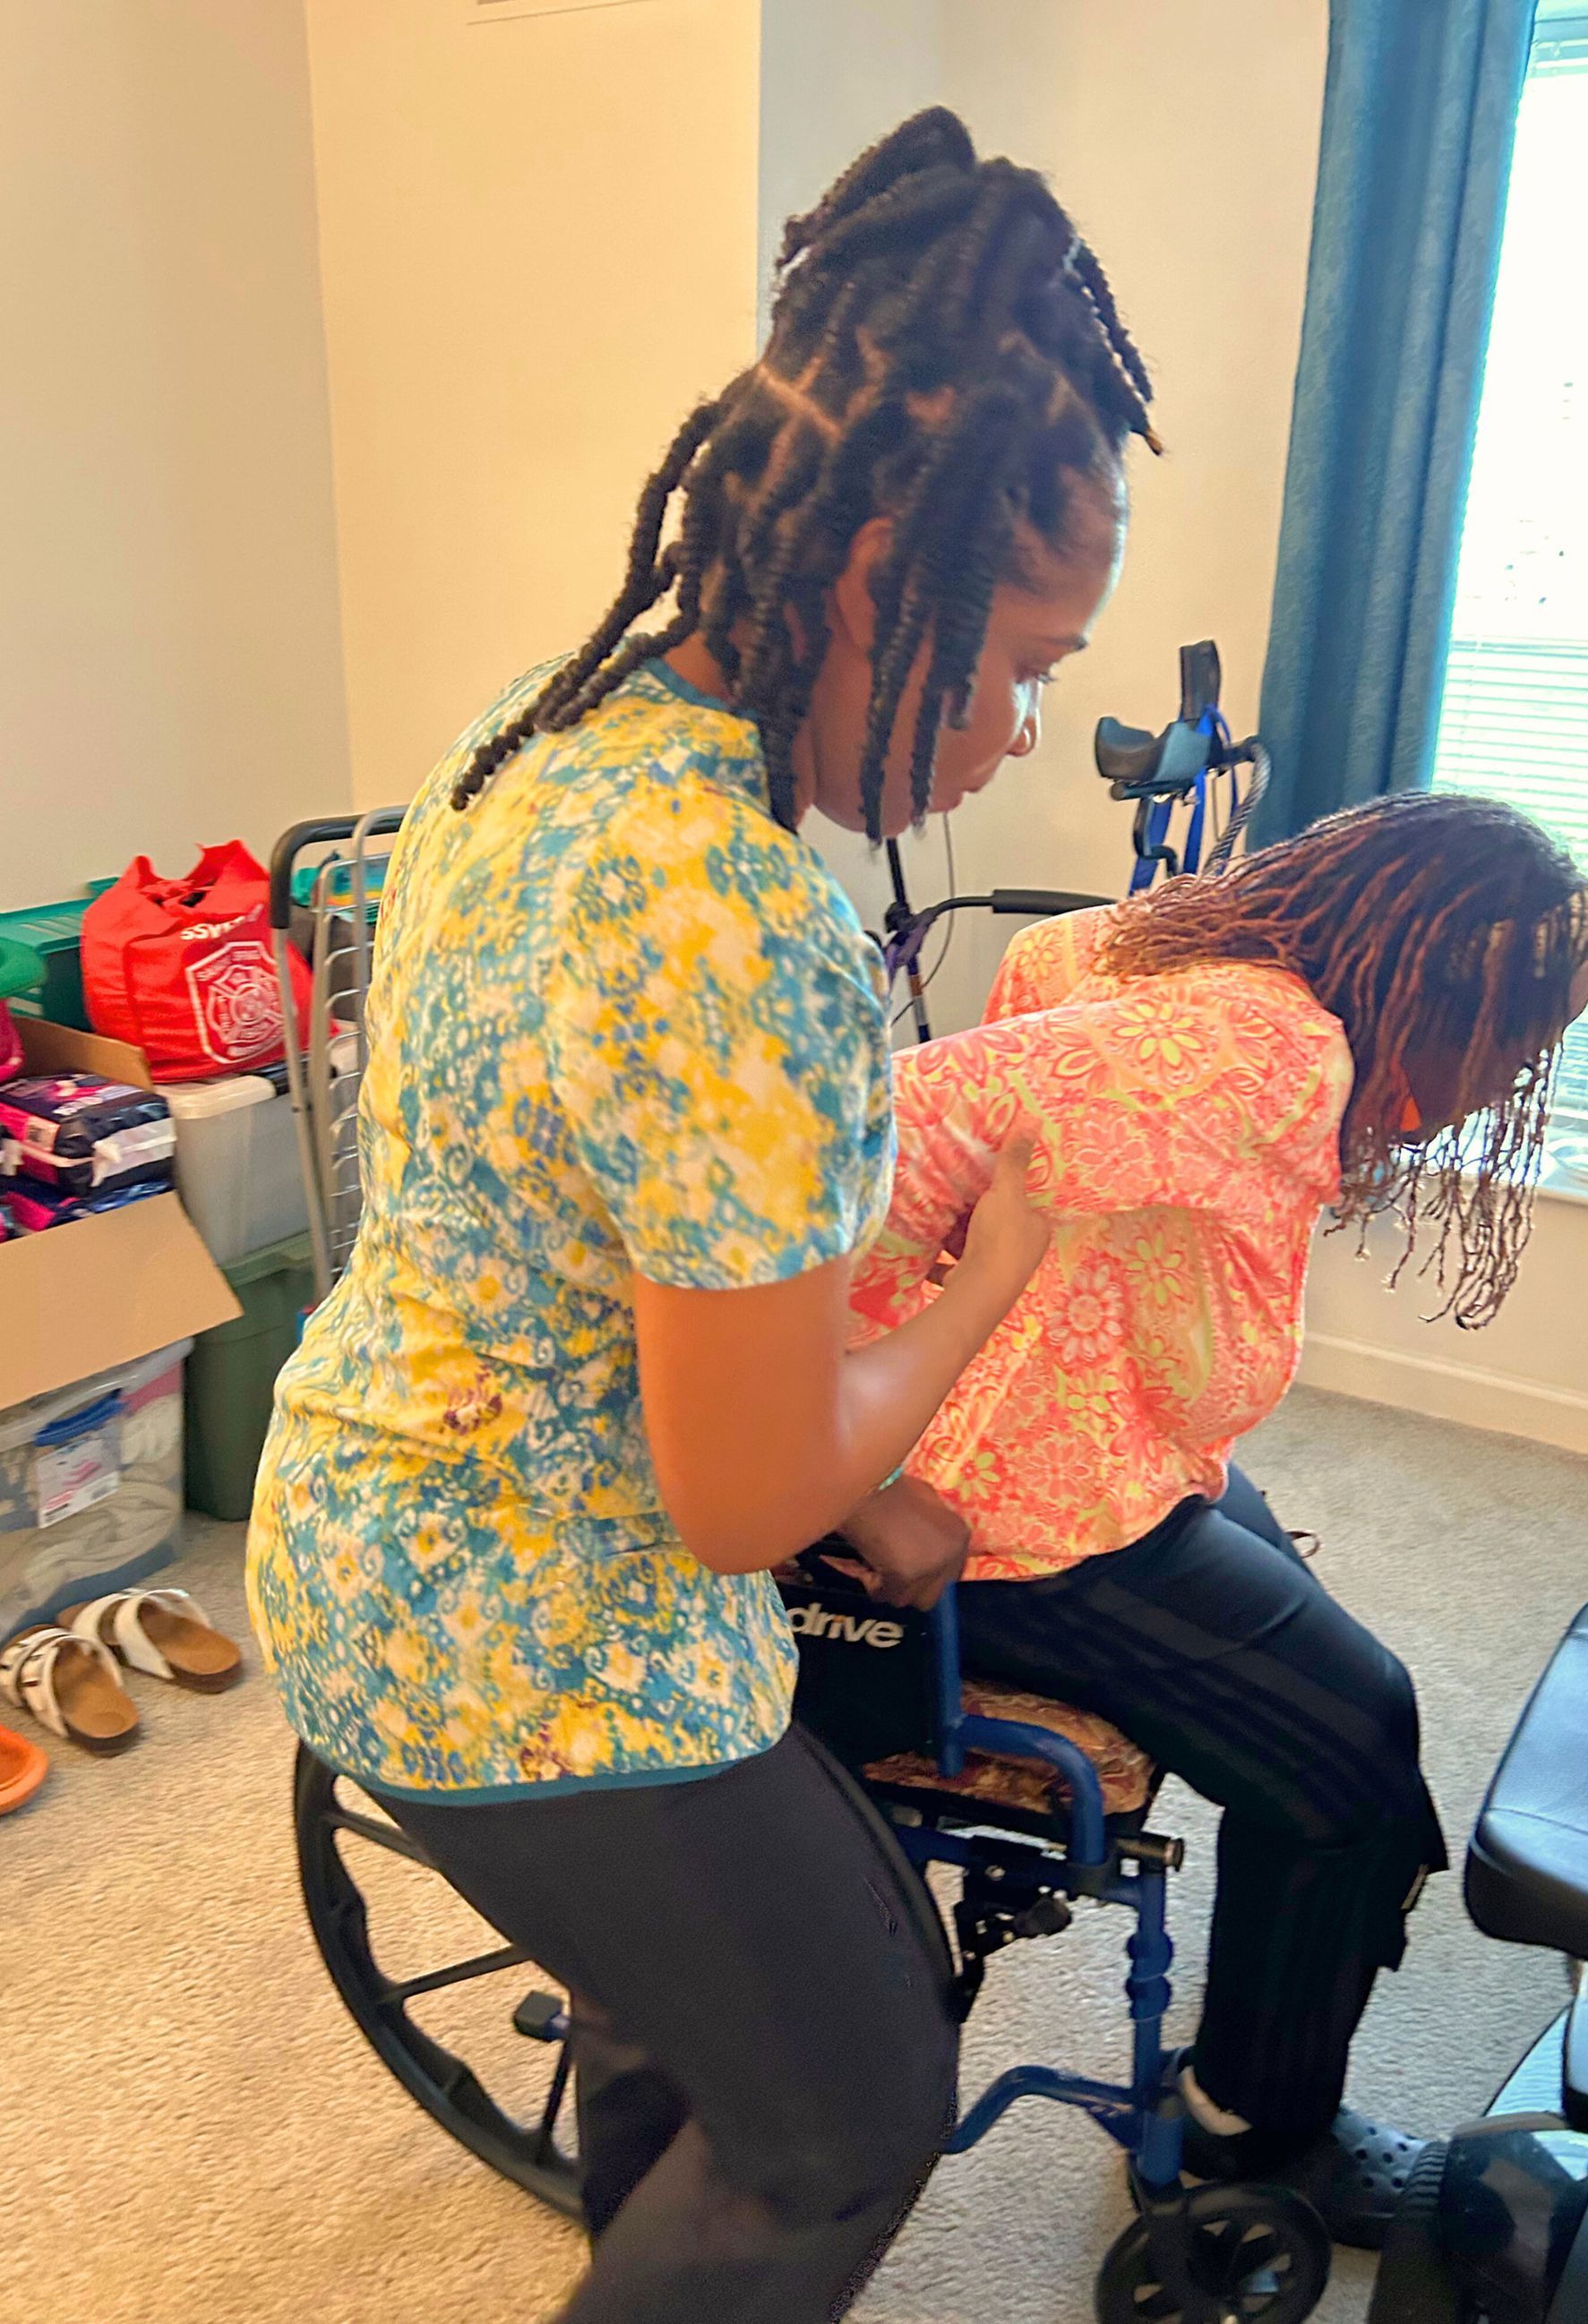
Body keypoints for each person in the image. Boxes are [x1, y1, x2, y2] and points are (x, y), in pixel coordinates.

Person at [245, 108, 1159, 2324]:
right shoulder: (741, 914)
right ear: (875, 578)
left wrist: (870, 1448)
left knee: (698, 2021)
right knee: (854, 2110)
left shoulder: (538, 737)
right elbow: (747, 1495)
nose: (1020, 731)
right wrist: (988, 1289)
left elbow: (612, 1235)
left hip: (363, 1513)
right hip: (524, 1641)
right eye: (1020, 657)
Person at [842, 790, 1588, 2249]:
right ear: (1426, 987)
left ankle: (1258, 2027)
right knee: (1356, 1747)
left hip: (1086, 1444)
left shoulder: (1173, 947)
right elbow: (886, 1129)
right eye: (1513, 1040)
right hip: (1017, 1509)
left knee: (1313, 1653)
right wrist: (852, 1454)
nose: (1511, 1082)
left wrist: (1006, 1281)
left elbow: (1044, 982)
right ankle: (1254, 2127)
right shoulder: (1269, 1048)